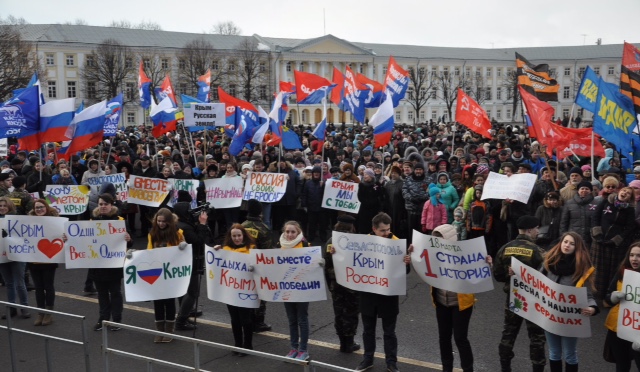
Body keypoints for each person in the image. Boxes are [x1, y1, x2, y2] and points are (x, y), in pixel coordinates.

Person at [418, 223, 492, 372]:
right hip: (440, 302)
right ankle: (447, 368)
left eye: (440, 240)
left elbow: (479, 275)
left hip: (461, 304)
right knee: (444, 338)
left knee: (460, 338)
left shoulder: (466, 254)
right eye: (435, 240)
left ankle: (468, 368)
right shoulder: (433, 252)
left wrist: (488, 265)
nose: (437, 244)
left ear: (450, 240)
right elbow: (421, 264)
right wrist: (413, 254)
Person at [354, 212, 411, 372]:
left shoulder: (396, 243)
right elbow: (352, 261)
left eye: (388, 229)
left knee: (389, 332)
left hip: (388, 294)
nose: (387, 233)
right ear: (374, 229)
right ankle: (367, 359)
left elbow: (404, 272)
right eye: (383, 230)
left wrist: (406, 263)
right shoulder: (363, 242)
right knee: (368, 331)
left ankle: (391, 362)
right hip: (368, 294)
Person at [493, 215, 546, 372]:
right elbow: (547, 278)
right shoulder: (538, 251)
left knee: (508, 333)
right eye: (537, 228)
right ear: (530, 230)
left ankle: (505, 367)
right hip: (533, 300)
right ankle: (537, 367)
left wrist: (508, 274)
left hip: (513, 298)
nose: (538, 231)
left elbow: (497, 275)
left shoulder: (505, 248)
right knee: (536, 338)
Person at [541, 232, 598, 372]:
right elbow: (536, 282)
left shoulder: (581, 269)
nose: (567, 245)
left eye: (572, 244)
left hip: (570, 319)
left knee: (570, 354)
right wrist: (516, 273)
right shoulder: (548, 262)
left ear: (577, 248)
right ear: (560, 243)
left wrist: (592, 308)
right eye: (565, 241)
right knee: (554, 353)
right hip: (551, 316)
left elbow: (588, 295)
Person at [88, 194, 132, 331]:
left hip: (114, 264)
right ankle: (103, 319)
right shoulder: (92, 220)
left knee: (115, 292)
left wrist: (128, 239)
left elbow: (130, 242)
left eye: (105, 204)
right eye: (100, 204)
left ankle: (116, 320)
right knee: (101, 293)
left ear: (111, 205)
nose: (102, 207)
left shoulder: (119, 220)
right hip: (97, 264)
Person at [213, 224, 256, 356]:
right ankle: (238, 344)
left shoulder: (252, 249)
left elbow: (260, 267)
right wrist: (216, 251)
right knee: (234, 319)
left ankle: (248, 345)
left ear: (243, 236)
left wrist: (254, 267)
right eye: (234, 236)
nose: (237, 238)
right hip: (231, 290)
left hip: (246, 290)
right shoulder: (225, 249)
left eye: (239, 235)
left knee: (246, 319)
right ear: (230, 237)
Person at [173, 197, 212, 331]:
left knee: (183, 290)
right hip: (191, 262)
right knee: (192, 292)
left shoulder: (179, 224)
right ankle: (181, 320)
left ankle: (184, 313)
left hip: (183, 261)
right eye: (188, 210)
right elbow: (199, 240)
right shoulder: (185, 228)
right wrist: (202, 224)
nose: (190, 212)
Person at [146, 208, 186, 343]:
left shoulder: (178, 233)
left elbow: (183, 252)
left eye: (164, 221)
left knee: (169, 302)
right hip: (157, 273)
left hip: (170, 274)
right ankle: (159, 330)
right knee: (158, 303)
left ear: (169, 222)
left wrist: (183, 246)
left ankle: (169, 330)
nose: (161, 224)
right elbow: (149, 252)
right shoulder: (152, 234)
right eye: (159, 221)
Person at [324, 215, 361, 353]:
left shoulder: (330, 242)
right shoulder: (356, 241)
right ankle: (349, 342)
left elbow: (326, 266)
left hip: (336, 285)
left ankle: (342, 343)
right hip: (352, 284)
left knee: (339, 313)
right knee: (351, 313)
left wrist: (331, 285)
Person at [276, 221, 312, 361]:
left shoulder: (304, 245)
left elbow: (312, 265)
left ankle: (303, 350)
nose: (290, 235)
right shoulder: (279, 245)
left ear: (298, 233)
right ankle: (293, 348)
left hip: (302, 289)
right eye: (288, 232)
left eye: (293, 232)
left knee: (302, 319)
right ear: (284, 232)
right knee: (292, 319)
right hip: (287, 288)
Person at [591, 187, 636, 298]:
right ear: (619, 191)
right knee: (596, 270)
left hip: (614, 246)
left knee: (611, 271)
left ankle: (607, 296)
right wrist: (597, 234)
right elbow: (595, 217)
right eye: (624, 190)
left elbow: (629, 228)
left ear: (630, 198)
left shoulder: (630, 210)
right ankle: (594, 293)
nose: (625, 193)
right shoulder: (606, 201)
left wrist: (616, 240)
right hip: (599, 242)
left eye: (628, 193)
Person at [603, 242, 640, 371]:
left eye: (639, 256)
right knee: (622, 364)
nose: (634, 259)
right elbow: (607, 297)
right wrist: (613, 297)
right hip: (617, 327)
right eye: (632, 255)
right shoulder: (621, 273)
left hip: (637, 331)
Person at [241, 199, 273, 333]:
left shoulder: (241, 226)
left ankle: (247, 319)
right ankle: (258, 322)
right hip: (259, 266)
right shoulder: (263, 229)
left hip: (243, 265)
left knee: (246, 292)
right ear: (260, 212)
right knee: (260, 294)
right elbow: (268, 251)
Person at [28, 199, 61, 326]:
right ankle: (40, 312)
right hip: (34, 260)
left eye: (41, 207)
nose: (39, 209)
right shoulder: (29, 222)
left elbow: (62, 234)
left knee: (48, 286)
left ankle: (48, 312)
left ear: (46, 208)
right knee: (38, 287)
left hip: (49, 260)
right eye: (36, 208)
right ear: (33, 210)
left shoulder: (55, 222)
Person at [0, 197, 31, 320]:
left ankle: (25, 308)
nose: (2, 208)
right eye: (0, 205)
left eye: (4, 205)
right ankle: (12, 308)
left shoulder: (17, 219)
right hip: (2, 255)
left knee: (19, 283)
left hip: (17, 254)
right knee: (9, 283)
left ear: (10, 206)